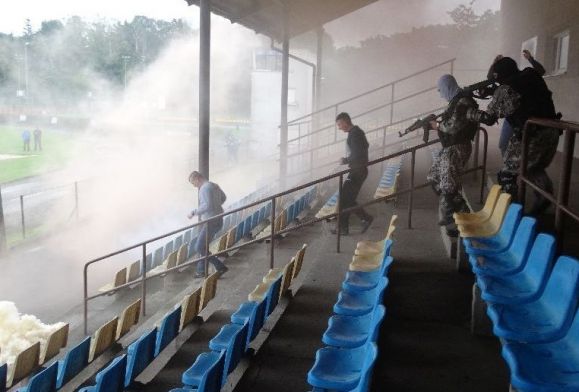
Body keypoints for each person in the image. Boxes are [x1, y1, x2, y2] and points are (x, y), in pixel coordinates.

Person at [466, 56, 560, 215]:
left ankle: (513, 215)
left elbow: (489, 118)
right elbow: (523, 95)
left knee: (507, 176)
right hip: (552, 131)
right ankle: (544, 195)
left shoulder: (505, 90)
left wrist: (470, 113)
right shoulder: (530, 74)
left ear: (499, 75)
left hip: (532, 137)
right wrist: (492, 91)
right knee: (533, 167)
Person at [427, 74, 480, 236]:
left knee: (449, 186)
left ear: (448, 86)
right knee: (433, 177)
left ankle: (457, 222)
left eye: (441, 89)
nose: (440, 93)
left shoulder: (463, 101)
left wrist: (437, 126)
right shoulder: (456, 101)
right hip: (450, 147)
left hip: (458, 147)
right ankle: (457, 213)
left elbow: (453, 126)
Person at [488, 51, 546, 156]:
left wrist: (494, 65)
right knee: (506, 145)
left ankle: (511, 169)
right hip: (525, 118)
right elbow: (540, 71)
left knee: (506, 146)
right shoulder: (528, 75)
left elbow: (490, 115)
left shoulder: (510, 85)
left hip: (522, 118)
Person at [332, 112, 374, 235]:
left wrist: (345, 160)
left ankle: (363, 220)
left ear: (345, 122)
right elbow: (363, 148)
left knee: (345, 198)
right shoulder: (356, 132)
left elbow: (358, 154)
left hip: (357, 171)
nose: (339, 127)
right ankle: (346, 226)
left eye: (339, 124)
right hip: (358, 170)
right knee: (348, 199)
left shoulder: (355, 134)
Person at [187, 171, 229, 278]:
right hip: (218, 219)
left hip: (211, 221)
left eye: (193, 183)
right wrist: (217, 207)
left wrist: (193, 212)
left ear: (198, 178)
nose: (194, 186)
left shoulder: (204, 188)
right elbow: (223, 198)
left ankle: (220, 266)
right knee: (203, 246)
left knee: (199, 247)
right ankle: (201, 270)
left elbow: (207, 206)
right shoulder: (214, 185)